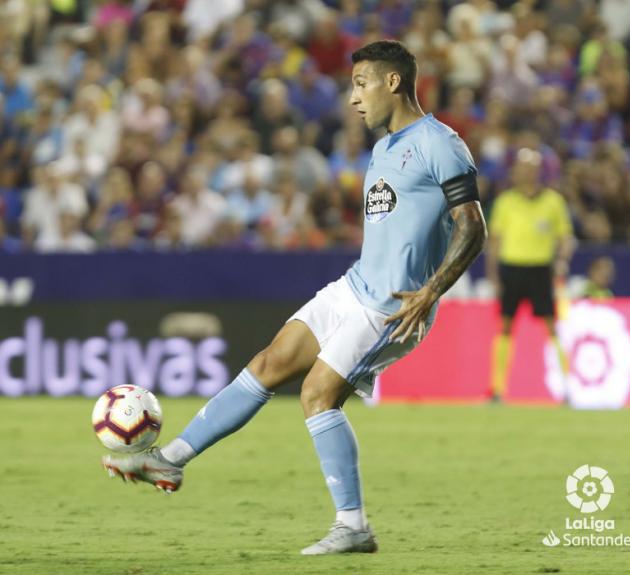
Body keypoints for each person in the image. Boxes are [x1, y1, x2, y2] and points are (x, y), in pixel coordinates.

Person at [102, 40, 487, 555]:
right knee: (269, 361)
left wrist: (430, 291)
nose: (353, 99)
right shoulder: (383, 148)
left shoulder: (441, 143)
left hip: (391, 306)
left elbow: (473, 226)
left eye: (360, 84)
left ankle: (353, 526)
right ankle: (168, 459)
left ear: (392, 82)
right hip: (352, 288)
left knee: (316, 395)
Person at [486, 148, 574, 402]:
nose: (526, 172)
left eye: (531, 168)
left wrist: (561, 261)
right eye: (522, 168)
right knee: (504, 326)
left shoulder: (553, 201)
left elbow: (565, 237)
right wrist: (494, 276)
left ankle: (566, 387)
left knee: (551, 327)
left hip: (540, 270)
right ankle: (497, 389)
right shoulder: (505, 202)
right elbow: (495, 243)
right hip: (511, 269)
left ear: (539, 171)